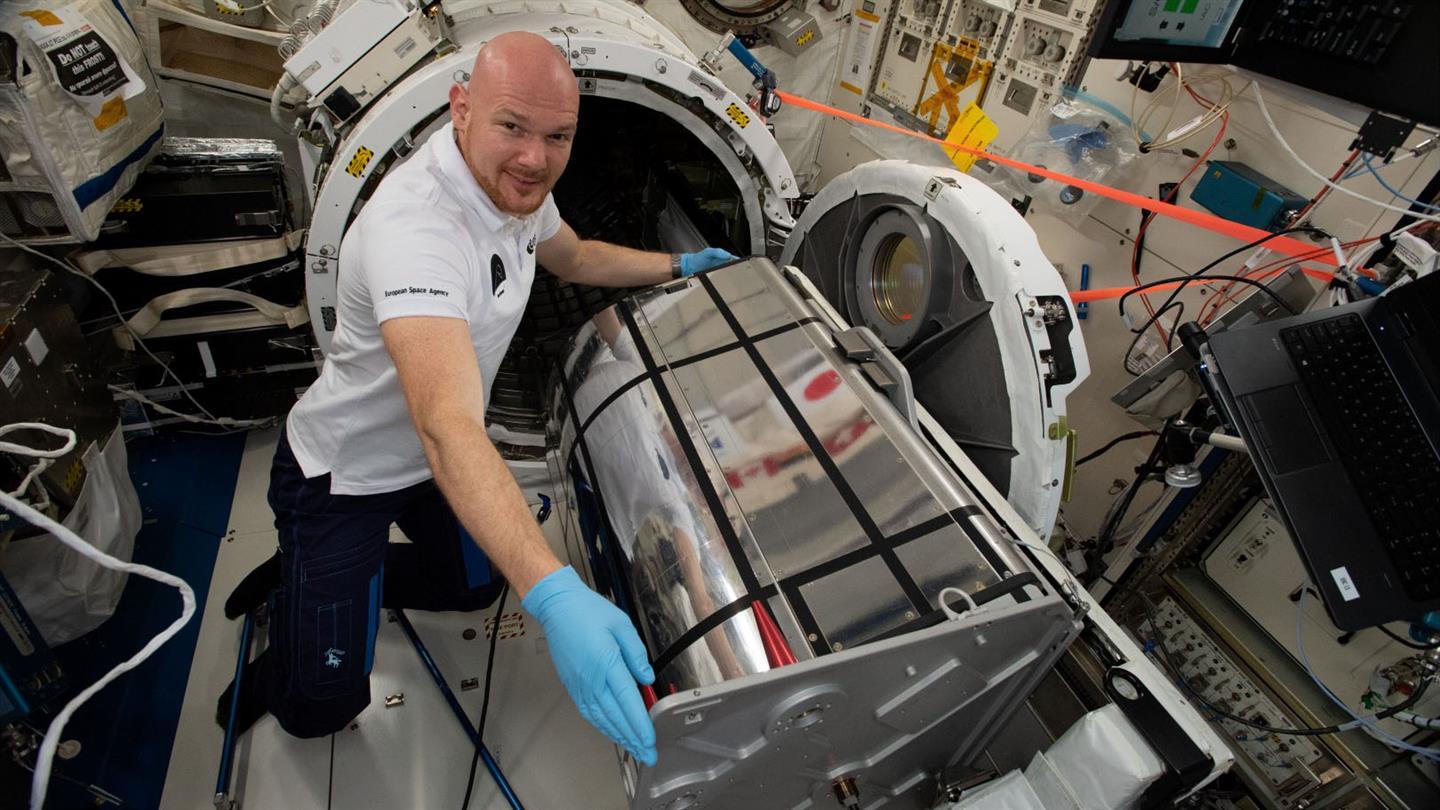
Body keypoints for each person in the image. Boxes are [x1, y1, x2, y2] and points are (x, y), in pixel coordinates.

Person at [220, 31, 737, 767]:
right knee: (323, 711)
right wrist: (555, 593)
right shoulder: (419, 230)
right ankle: (296, 636)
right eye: (512, 127)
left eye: (558, 136)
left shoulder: (518, 191)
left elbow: (577, 257)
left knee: (474, 586)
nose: (535, 157)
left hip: (426, 469)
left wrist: (679, 262)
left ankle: (304, 582)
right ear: (461, 109)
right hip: (345, 478)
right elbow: (446, 425)